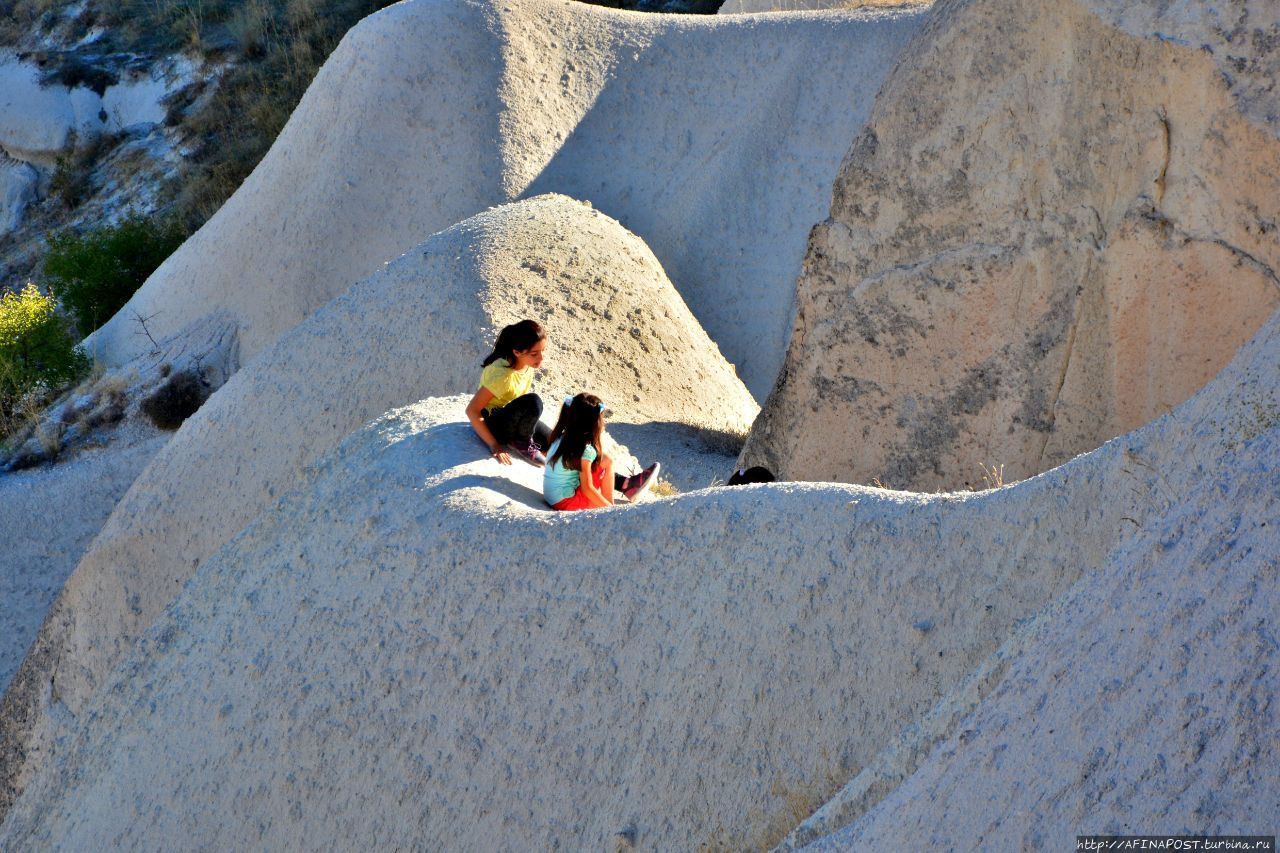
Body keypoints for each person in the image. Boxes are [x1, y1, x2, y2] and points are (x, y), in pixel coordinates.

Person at [543, 393, 660, 510]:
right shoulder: (585, 449)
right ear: (594, 423)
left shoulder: (562, 437)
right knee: (607, 463)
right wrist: (608, 508)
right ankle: (610, 509)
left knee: (606, 460)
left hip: (551, 496)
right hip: (566, 502)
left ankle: (614, 500)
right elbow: (587, 489)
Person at [466, 319, 551, 465]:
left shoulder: (526, 365)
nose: (541, 358)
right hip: (493, 423)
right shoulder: (502, 375)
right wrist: (494, 445)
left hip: (509, 417)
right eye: (534, 353)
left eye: (543, 351)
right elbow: (472, 411)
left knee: (556, 441)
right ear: (517, 352)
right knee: (533, 402)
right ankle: (522, 443)